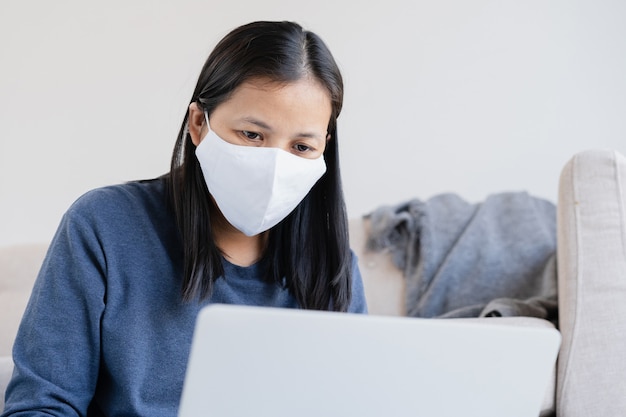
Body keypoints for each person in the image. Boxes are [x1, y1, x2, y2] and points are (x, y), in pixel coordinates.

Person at [2, 20, 367, 416]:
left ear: (323, 149)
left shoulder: (333, 262)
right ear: (198, 123)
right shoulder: (102, 226)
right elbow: (39, 406)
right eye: (252, 135)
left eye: (301, 145)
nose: (275, 165)